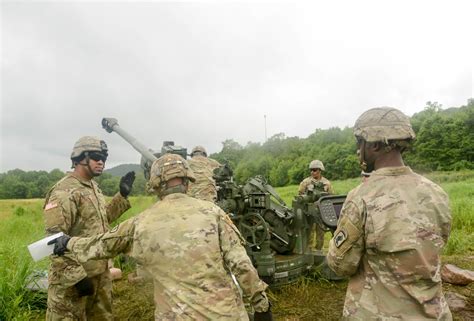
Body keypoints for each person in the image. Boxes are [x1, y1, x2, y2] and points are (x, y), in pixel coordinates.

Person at [49, 153, 273, 321]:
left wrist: (68, 242)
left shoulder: (140, 222)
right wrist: (261, 305)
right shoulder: (214, 213)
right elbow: (241, 264)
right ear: (187, 181)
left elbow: (100, 245)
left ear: (155, 184)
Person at [327, 107, 452, 320]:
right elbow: (436, 243)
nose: (358, 150)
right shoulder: (436, 192)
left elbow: (341, 264)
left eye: (360, 143)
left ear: (374, 145)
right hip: (434, 313)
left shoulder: (362, 196)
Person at [43, 136, 135, 320]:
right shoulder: (64, 192)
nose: (101, 161)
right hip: (74, 281)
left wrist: (121, 196)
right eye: (96, 156)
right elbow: (54, 240)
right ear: (79, 157)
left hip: (100, 274)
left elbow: (101, 221)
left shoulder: (93, 187)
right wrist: (77, 277)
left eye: (104, 158)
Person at [298, 160, 334, 251]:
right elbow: (300, 196)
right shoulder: (306, 182)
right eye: (311, 170)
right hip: (309, 212)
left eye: (314, 170)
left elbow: (330, 197)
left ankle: (318, 251)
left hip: (321, 212)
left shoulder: (327, 183)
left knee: (320, 234)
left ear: (320, 170)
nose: (312, 172)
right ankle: (308, 252)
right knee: (309, 232)